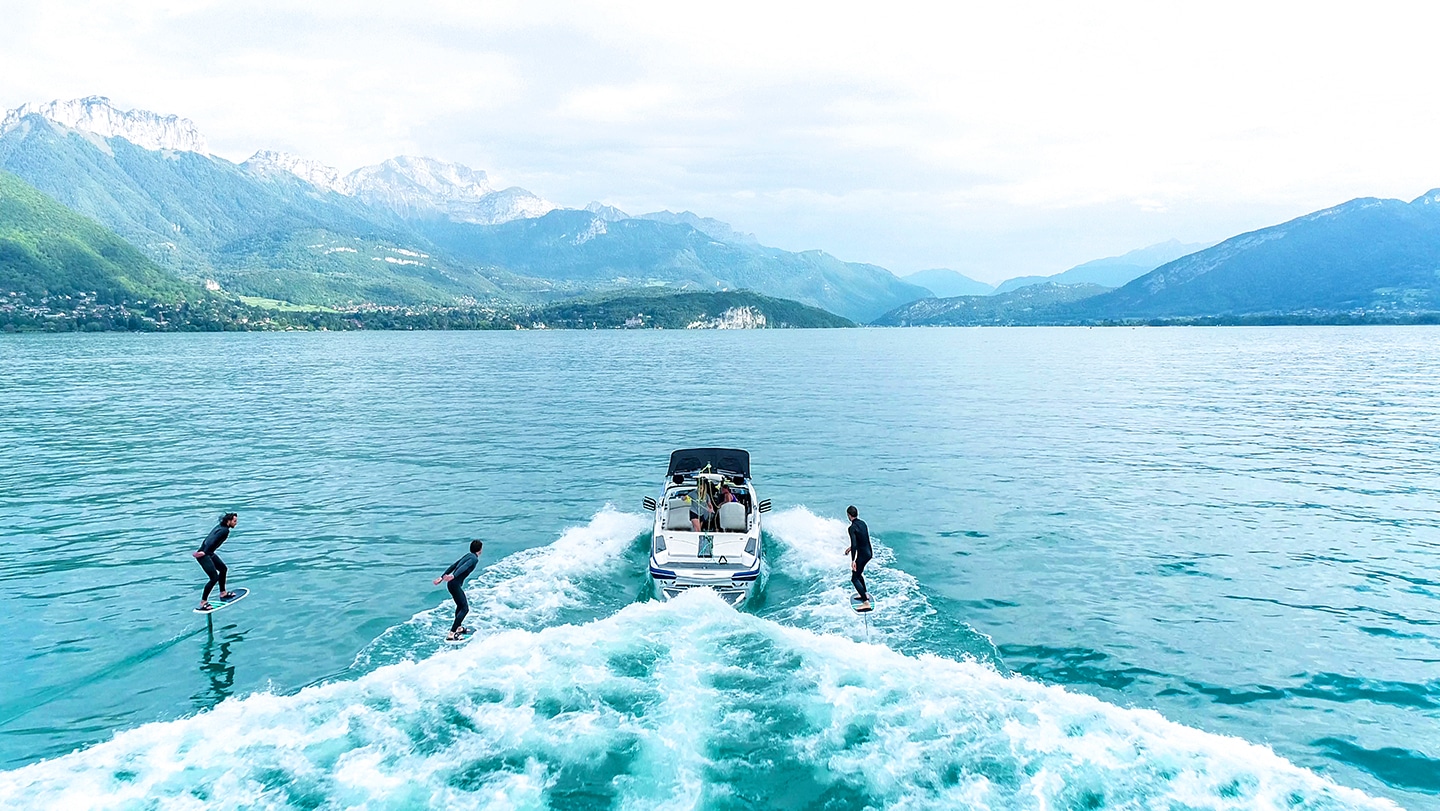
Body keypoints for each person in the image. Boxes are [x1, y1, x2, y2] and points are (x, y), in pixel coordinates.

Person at [434, 539, 483, 641]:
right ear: (480, 549)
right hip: (455, 584)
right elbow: (464, 567)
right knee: (465, 608)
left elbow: (454, 565)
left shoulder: (468, 555)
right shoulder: (474, 559)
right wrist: (453, 576)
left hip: (452, 584)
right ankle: (451, 633)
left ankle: (458, 627)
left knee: (460, 606)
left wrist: (442, 577)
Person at [193, 512, 238, 611]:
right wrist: (203, 552)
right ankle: (203, 602)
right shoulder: (224, 531)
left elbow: (207, 539)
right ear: (228, 521)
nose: (236, 523)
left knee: (223, 569)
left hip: (208, 553)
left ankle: (223, 593)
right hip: (204, 555)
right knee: (214, 578)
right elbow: (211, 540)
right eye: (234, 521)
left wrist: (205, 550)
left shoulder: (220, 527)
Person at [843, 505, 873, 604]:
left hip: (863, 555)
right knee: (858, 574)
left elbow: (854, 543)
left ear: (848, 515)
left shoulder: (852, 528)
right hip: (869, 553)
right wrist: (850, 548)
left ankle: (865, 602)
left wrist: (853, 561)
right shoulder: (863, 523)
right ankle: (864, 594)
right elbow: (862, 539)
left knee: (854, 578)